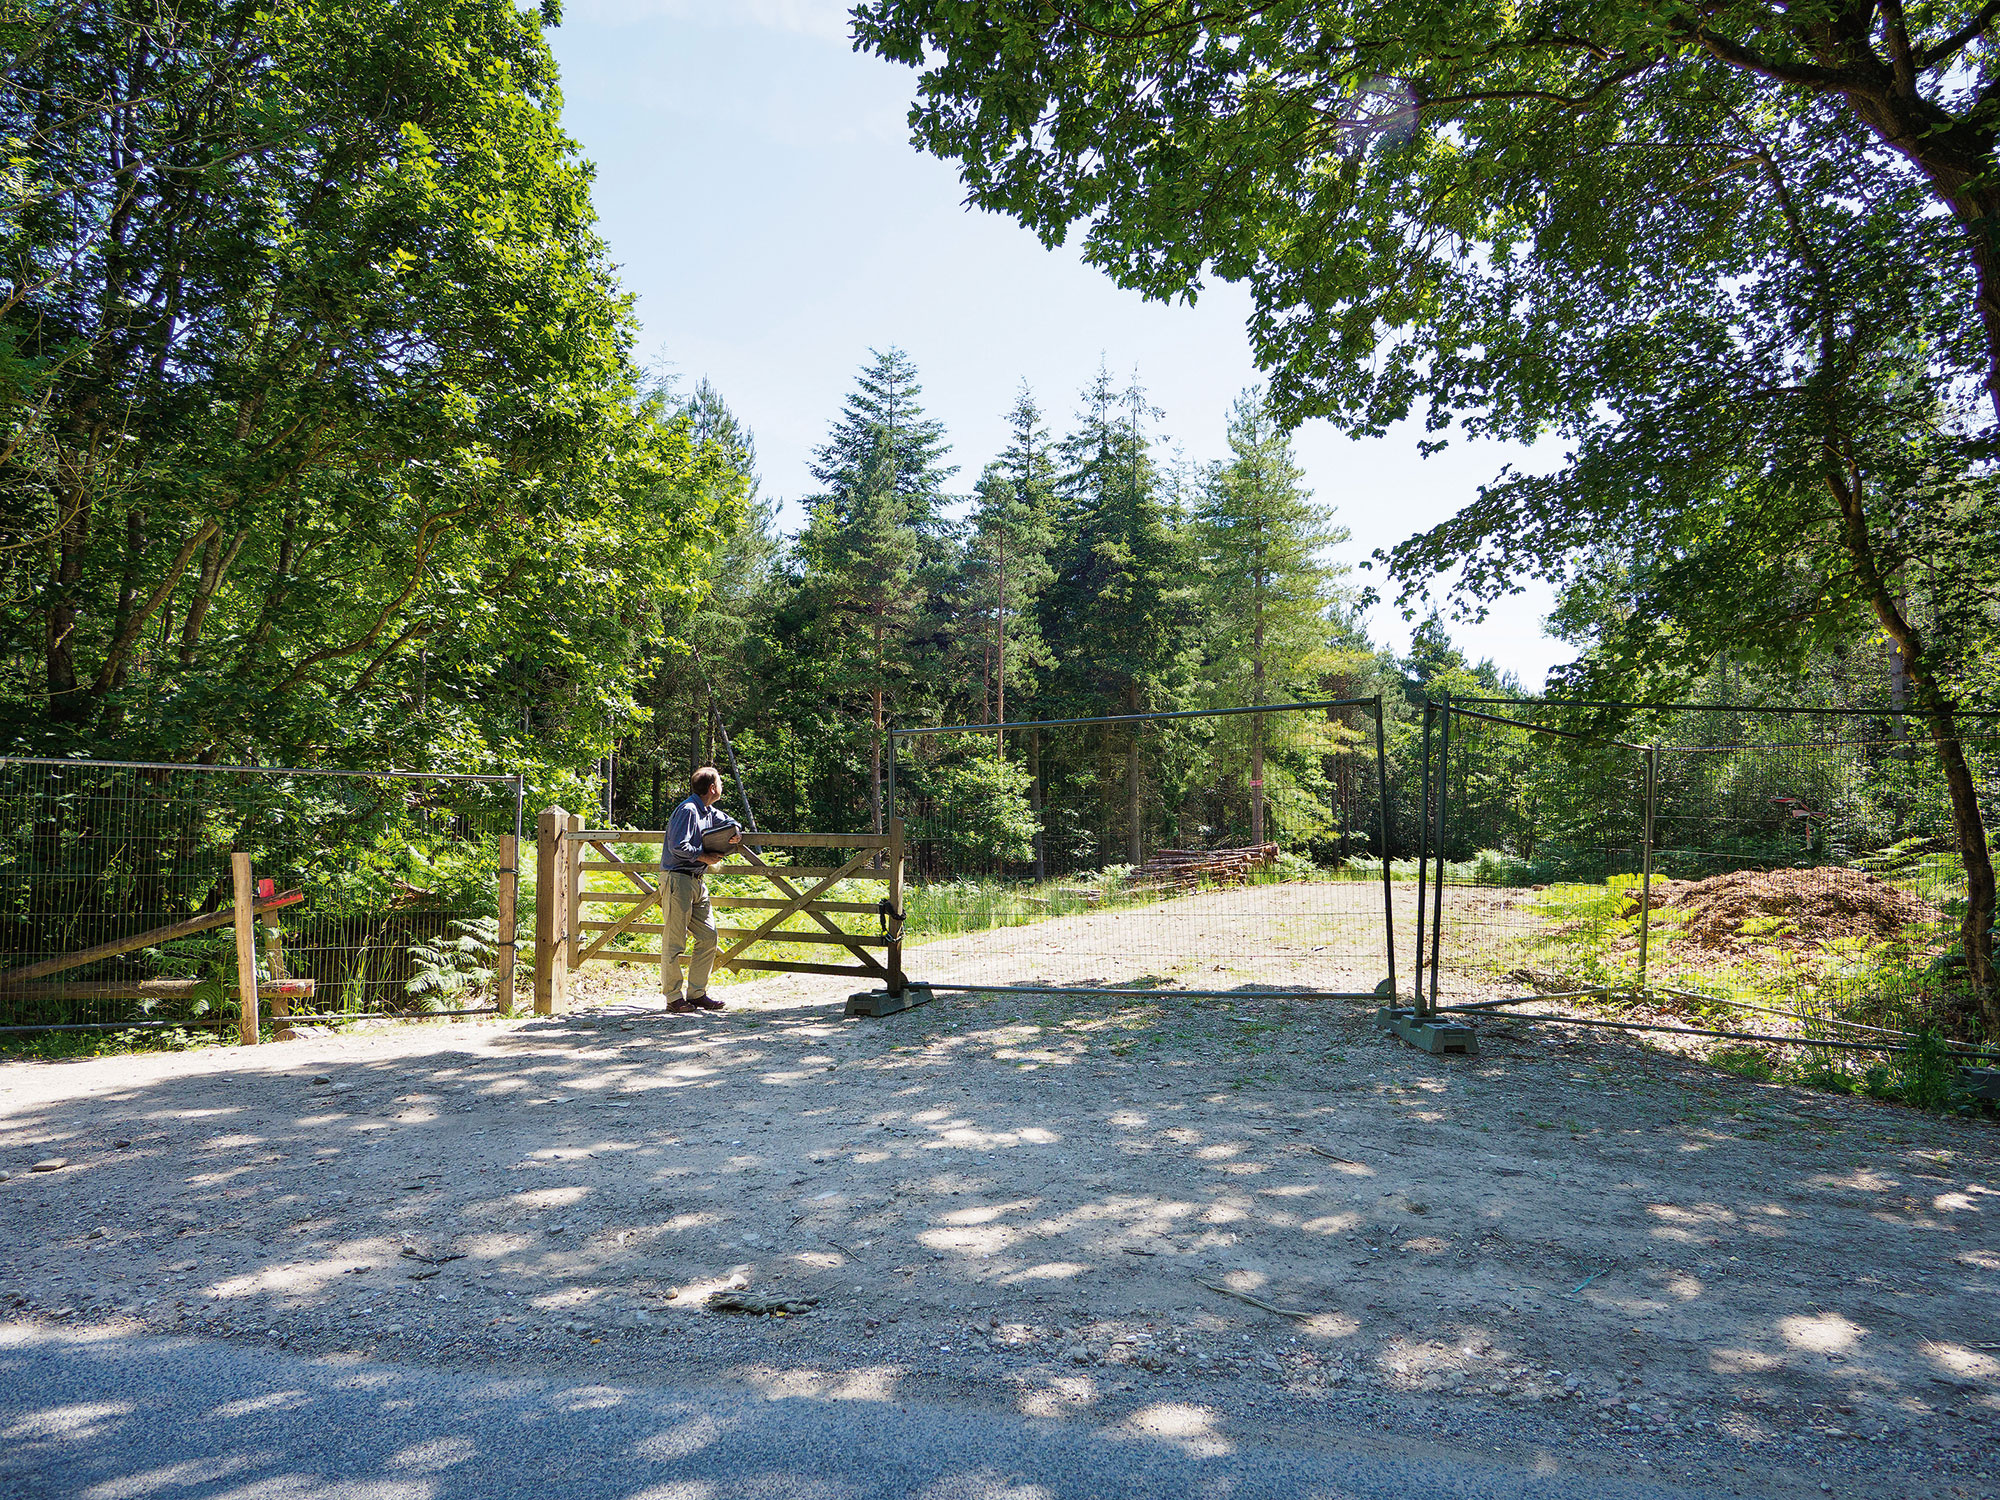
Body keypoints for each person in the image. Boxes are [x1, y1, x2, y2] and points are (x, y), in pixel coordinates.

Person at [660, 765, 741, 1013]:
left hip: (695, 880)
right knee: (675, 941)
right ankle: (673, 998)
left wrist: (736, 833)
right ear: (712, 788)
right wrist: (704, 857)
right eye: (720, 782)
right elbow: (678, 847)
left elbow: (729, 823)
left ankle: (696, 994)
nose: (722, 786)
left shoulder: (707, 810)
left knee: (708, 936)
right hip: (678, 878)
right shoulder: (687, 810)